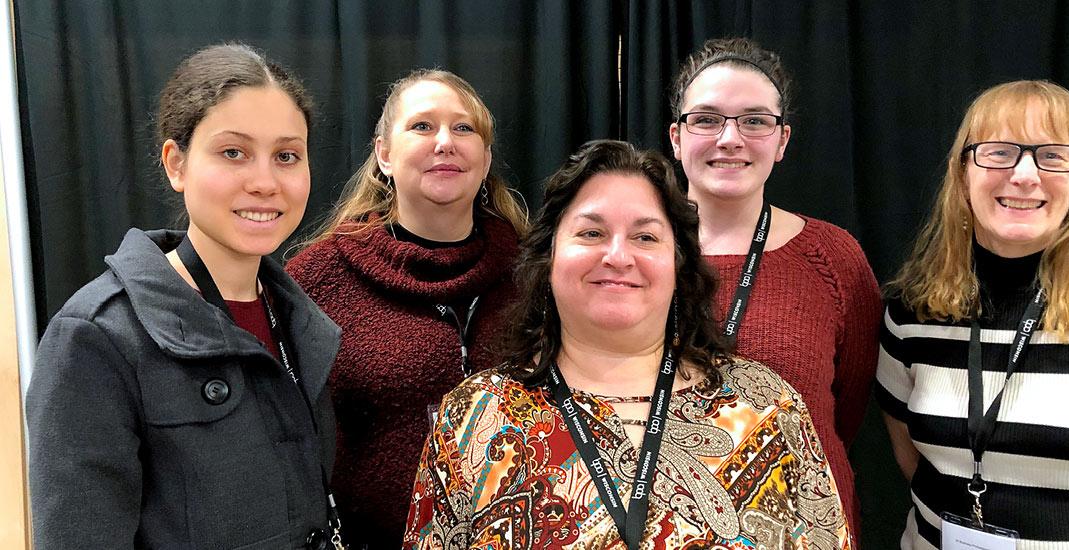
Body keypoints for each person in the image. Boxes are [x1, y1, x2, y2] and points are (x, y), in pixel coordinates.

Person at [404, 140, 852, 549]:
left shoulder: (767, 407)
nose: (618, 256)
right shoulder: (475, 416)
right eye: (591, 233)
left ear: (678, 264)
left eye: (645, 237)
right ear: (549, 255)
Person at [25, 44, 343, 549]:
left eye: (286, 156)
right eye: (233, 152)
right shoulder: (97, 337)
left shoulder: (301, 320)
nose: (264, 182)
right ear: (176, 164)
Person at [877, 80, 1069, 548]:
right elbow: (905, 445)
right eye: (998, 152)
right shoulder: (913, 308)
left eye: (1052, 155)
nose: (1024, 175)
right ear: (961, 175)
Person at [287, 69, 527, 546]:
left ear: (486, 158)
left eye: (464, 128)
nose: (445, 143)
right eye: (421, 126)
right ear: (384, 154)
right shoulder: (315, 279)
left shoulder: (534, 272)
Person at [667, 37, 881, 538]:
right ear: (676, 138)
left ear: (782, 140)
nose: (729, 138)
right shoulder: (625, 254)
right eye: (707, 119)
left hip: (803, 528)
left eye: (754, 120)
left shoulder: (833, 257)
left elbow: (845, 412)